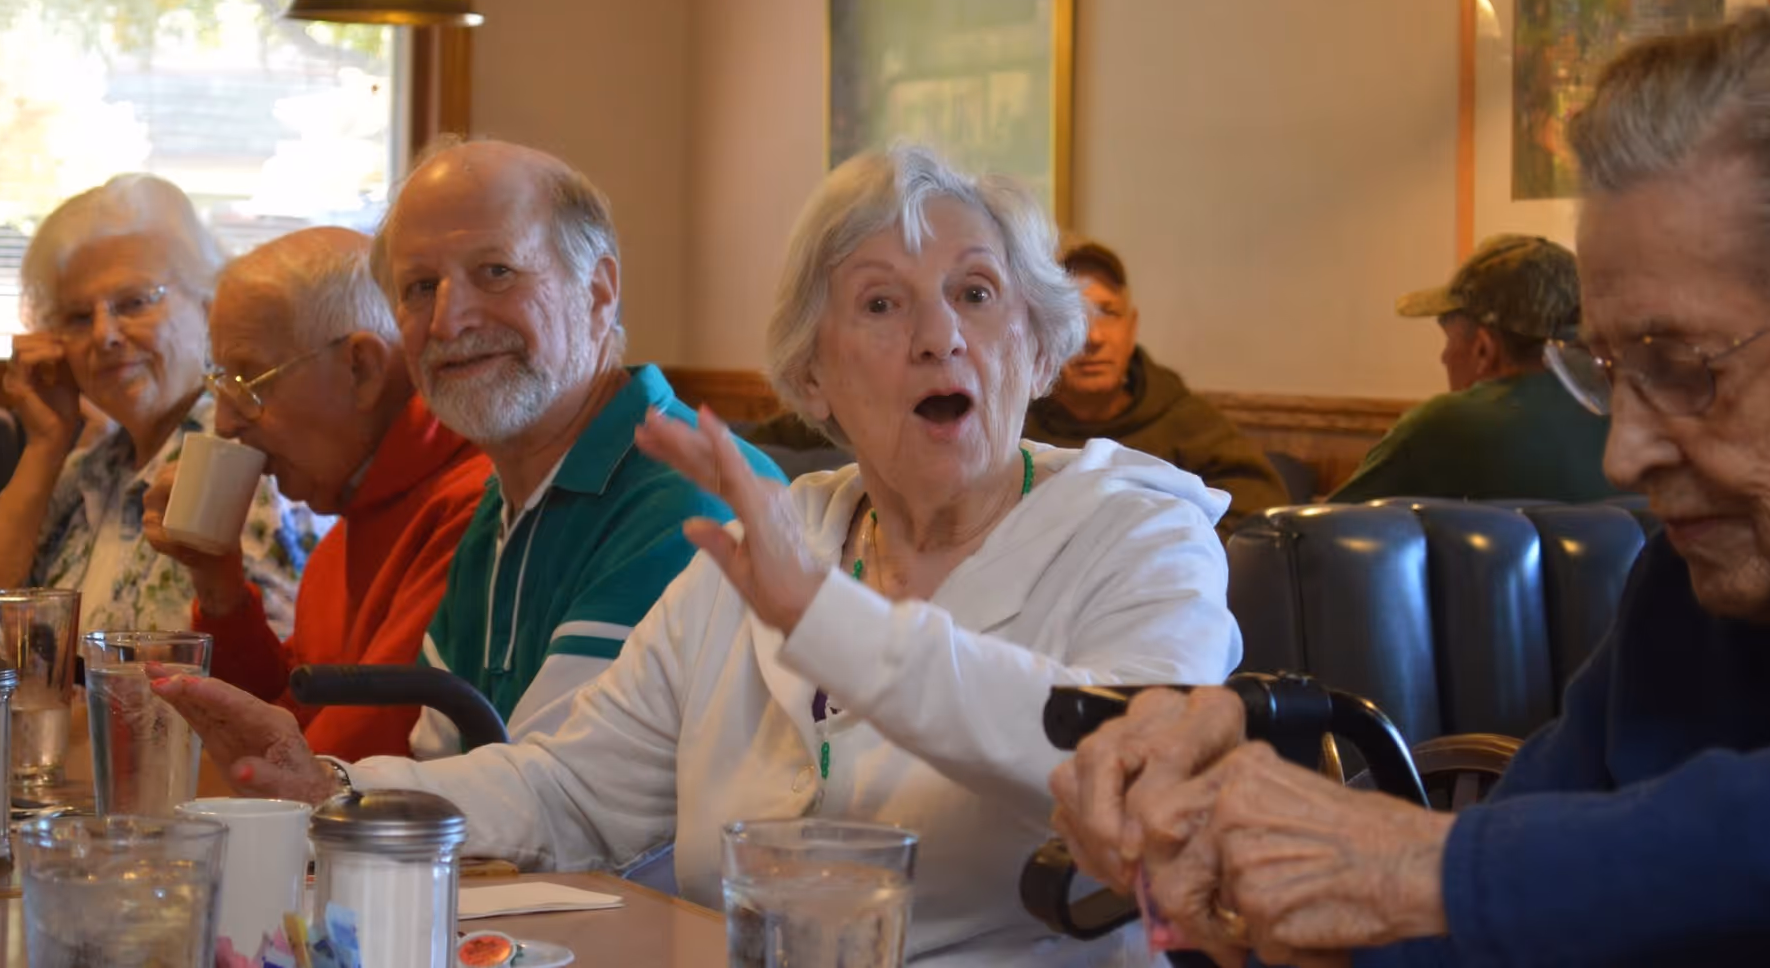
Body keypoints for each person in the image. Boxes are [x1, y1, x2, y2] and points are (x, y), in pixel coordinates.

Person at [154, 143, 1242, 965]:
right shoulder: (773, 542)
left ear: (1041, 344)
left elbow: (1124, 763)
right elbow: (568, 785)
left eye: (976, 293)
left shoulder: (1141, 532)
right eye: (879, 302)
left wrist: (826, 614)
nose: (937, 336)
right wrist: (343, 786)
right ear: (813, 377)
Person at [1048, 11, 1770, 967]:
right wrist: (1224, 879)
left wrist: (1425, 866)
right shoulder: (1676, 598)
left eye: (1682, 366)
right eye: (1607, 373)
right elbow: (1450, 938)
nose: (1622, 455)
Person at [380, 138, 780, 746]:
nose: (447, 320)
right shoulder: (504, 502)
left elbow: (558, 796)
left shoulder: (689, 499)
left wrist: (329, 787)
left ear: (597, 293)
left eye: (496, 272)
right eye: (419, 287)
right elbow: (441, 760)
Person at [141, 228, 492, 761]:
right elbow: (287, 713)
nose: (228, 423)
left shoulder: (472, 506)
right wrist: (218, 582)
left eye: (250, 383)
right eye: (222, 387)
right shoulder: (349, 516)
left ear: (362, 369)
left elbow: (344, 769)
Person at [0, 173, 318, 638]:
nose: (104, 335)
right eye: (77, 317)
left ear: (207, 306)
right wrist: (46, 445)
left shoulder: (247, 468)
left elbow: (278, 683)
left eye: (134, 302)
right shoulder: (91, 472)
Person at [1023, 238, 1287, 535]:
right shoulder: (1016, 425)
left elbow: (1259, 513)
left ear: (1132, 327)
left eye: (1108, 313)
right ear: (1041, 332)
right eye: (1073, 315)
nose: (1093, 337)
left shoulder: (1184, 420)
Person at [1328, 233, 1615, 503]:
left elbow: (1314, 538)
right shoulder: (1627, 418)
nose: (1444, 357)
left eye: (1448, 340)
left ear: (1483, 349)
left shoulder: (1439, 426)